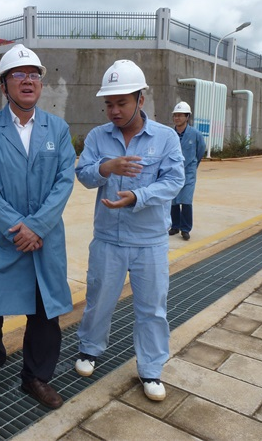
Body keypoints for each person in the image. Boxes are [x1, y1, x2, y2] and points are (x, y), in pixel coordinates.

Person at [0, 44, 76, 409]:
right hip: (1, 238)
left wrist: (38, 226)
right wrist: (16, 226)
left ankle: (36, 377)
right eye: (18, 75)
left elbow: (64, 180)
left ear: (40, 84)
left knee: (44, 311)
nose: (28, 81)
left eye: (34, 75)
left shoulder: (57, 129)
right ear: (3, 85)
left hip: (43, 238)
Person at [74, 60, 185, 402]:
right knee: (99, 300)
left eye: (121, 102)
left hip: (149, 242)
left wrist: (139, 196)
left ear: (141, 99)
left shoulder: (165, 138)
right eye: (109, 104)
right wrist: (106, 167)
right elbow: (83, 174)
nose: (114, 111)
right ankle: (90, 349)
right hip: (108, 238)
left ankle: (151, 369)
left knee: (152, 308)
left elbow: (175, 180)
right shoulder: (98, 137)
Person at [168, 101, 206, 241]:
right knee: (173, 200)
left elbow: (200, 150)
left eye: (180, 115)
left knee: (186, 200)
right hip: (172, 171)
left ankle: (185, 229)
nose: (177, 118)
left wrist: (194, 164)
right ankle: (175, 226)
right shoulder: (170, 133)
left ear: (187, 117)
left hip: (188, 172)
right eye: (175, 115)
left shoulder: (195, 134)